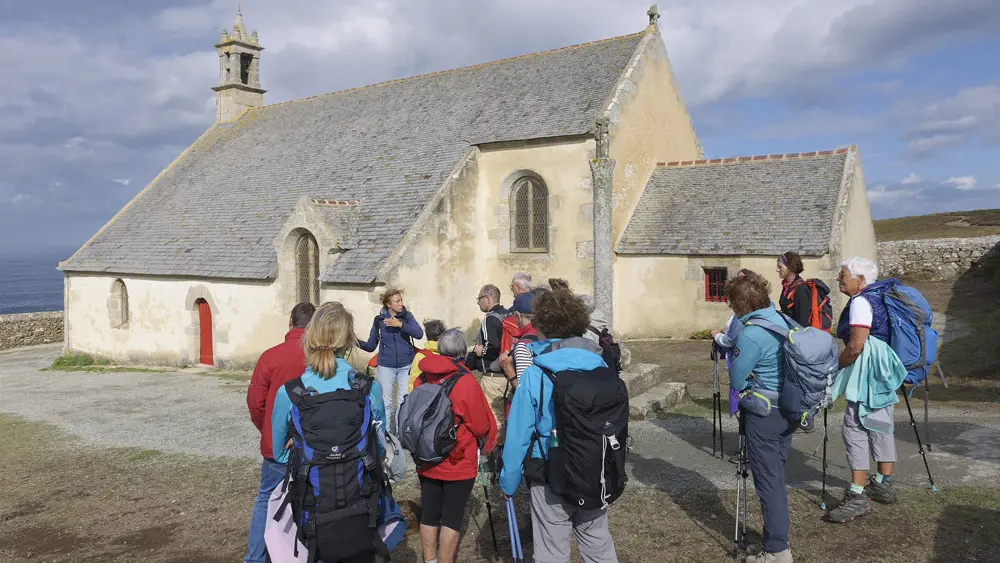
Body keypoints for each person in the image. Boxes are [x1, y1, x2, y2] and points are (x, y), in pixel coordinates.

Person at [500, 290, 619, 563]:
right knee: (598, 545)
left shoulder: (535, 373)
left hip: (549, 469)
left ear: (541, 327)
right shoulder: (599, 364)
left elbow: (518, 434)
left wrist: (508, 481)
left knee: (551, 551)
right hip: (593, 465)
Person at [271, 302, 388, 563]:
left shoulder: (290, 393)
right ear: (348, 342)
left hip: (314, 512)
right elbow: (380, 449)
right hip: (362, 508)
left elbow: (278, 454)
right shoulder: (369, 389)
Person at [825, 257, 906, 524]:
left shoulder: (861, 302)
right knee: (881, 424)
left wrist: (835, 366)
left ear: (860, 280)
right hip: (882, 368)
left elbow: (856, 346)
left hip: (867, 370)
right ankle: (882, 484)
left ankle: (857, 495)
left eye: (843, 274)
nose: (839, 278)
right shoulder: (880, 296)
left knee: (855, 427)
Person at [727, 275, 797, 563]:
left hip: (765, 413)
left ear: (741, 304)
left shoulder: (751, 333)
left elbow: (737, 376)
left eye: (732, 303)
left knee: (768, 482)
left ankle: (778, 551)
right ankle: (775, 539)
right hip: (789, 408)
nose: (731, 308)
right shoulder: (782, 320)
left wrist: (744, 389)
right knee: (776, 477)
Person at [415, 329, 499, 563]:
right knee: (451, 516)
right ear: (462, 352)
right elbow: (481, 426)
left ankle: (429, 560)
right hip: (457, 458)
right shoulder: (464, 381)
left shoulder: (422, 377)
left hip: (427, 456)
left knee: (429, 513)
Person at [243, 302, 316, 563]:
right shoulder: (321, 358)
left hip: (278, 445)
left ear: (290, 323)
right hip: (313, 444)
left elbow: (255, 402)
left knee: (267, 498)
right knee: (312, 499)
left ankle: (255, 557)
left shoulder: (270, 357)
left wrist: (271, 429)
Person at [358, 288, 423, 431]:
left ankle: (401, 434)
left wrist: (401, 325)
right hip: (386, 366)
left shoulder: (407, 317)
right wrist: (356, 342)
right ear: (389, 304)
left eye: (401, 300)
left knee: (403, 401)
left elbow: (419, 334)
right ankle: (386, 435)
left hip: (406, 365)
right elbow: (371, 345)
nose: (401, 304)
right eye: (397, 301)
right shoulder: (379, 320)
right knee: (386, 403)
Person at [467, 284, 508, 421]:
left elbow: (493, 347)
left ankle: (497, 443)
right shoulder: (506, 314)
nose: (478, 303)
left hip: (493, 375)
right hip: (507, 373)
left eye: (479, 299)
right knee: (505, 414)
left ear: (488, 298)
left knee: (494, 415)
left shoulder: (490, 319)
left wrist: (480, 352)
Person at [498, 292, 539, 391]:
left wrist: (508, 368)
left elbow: (525, 391)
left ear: (518, 315)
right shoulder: (544, 336)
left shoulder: (523, 346)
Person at [776, 251, 813, 328]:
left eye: (780, 267)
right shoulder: (788, 286)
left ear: (790, 267)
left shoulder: (801, 289)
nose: (777, 270)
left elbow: (803, 322)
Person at [501, 273, 533, 355]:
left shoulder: (516, 306)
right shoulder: (538, 300)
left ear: (518, 286)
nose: (511, 289)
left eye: (512, 286)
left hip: (517, 352)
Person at [409, 319, 445, 391]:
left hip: (427, 396)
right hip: (446, 397)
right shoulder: (449, 353)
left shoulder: (421, 356)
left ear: (427, 336)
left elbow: (413, 381)